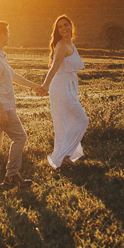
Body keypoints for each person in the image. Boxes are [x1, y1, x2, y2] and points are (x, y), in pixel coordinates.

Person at [0, 20, 44, 189]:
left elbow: (13, 76)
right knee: (20, 137)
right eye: (7, 33)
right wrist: (1, 111)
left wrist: (34, 86)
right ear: (1, 35)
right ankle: (12, 175)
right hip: (1, 108)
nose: (9, 36)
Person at [40, 15, 88, 168]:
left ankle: (65, 156)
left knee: (69, 121)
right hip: (61, 87)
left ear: (71, 26)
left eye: (65, 25)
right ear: (57, 30)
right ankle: (64, 155)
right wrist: (45, 85)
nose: (63, 28)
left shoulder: (70, 44)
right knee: (81, 120)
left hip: (68, 86)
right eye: (60, 27)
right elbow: (54, 67)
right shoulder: (61, 45)